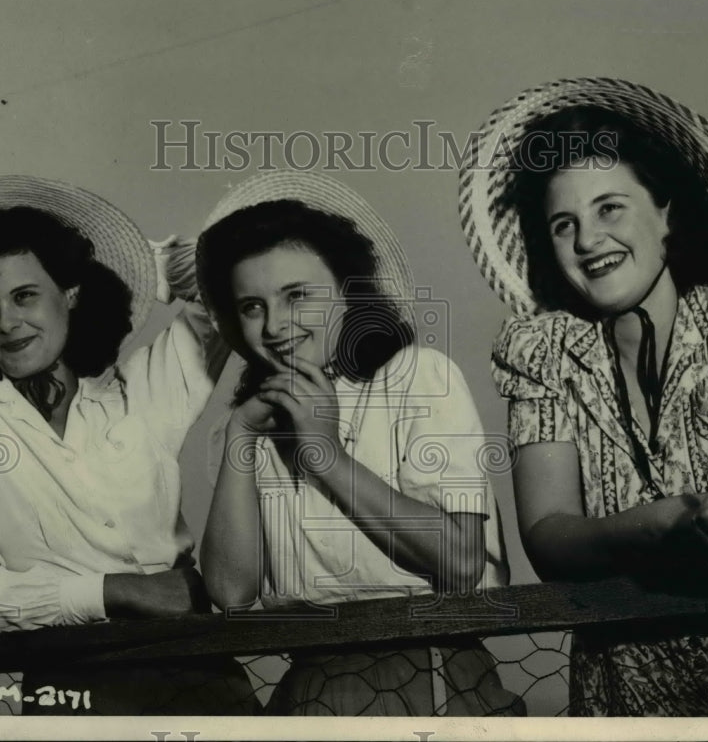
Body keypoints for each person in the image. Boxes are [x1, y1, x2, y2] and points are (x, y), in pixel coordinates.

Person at [457, 78, 708, 716]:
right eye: (564, 224)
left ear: (666, 212)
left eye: (610, 208)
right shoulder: (544, 354)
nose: (588, 241)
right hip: (627, 687)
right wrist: (655, 527)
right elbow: (548, 534)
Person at [0, 175, 258, 715]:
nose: (7, 323)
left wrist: (150, 268)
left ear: (70, 293)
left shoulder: (138, 393)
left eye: (25, 296)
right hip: (77, 686)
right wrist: (120, 590)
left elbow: (230, 295)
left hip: (203, 671)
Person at [194, 171, 523, 716]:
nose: (275, 326)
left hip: (429, 675)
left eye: (296, 295)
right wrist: (240, 437)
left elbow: (461, 563)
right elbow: (230, 594)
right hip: (310, 688)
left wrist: (326, 456)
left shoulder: (419, 377)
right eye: (252, 306)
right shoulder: (255, 422)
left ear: (349, 291)